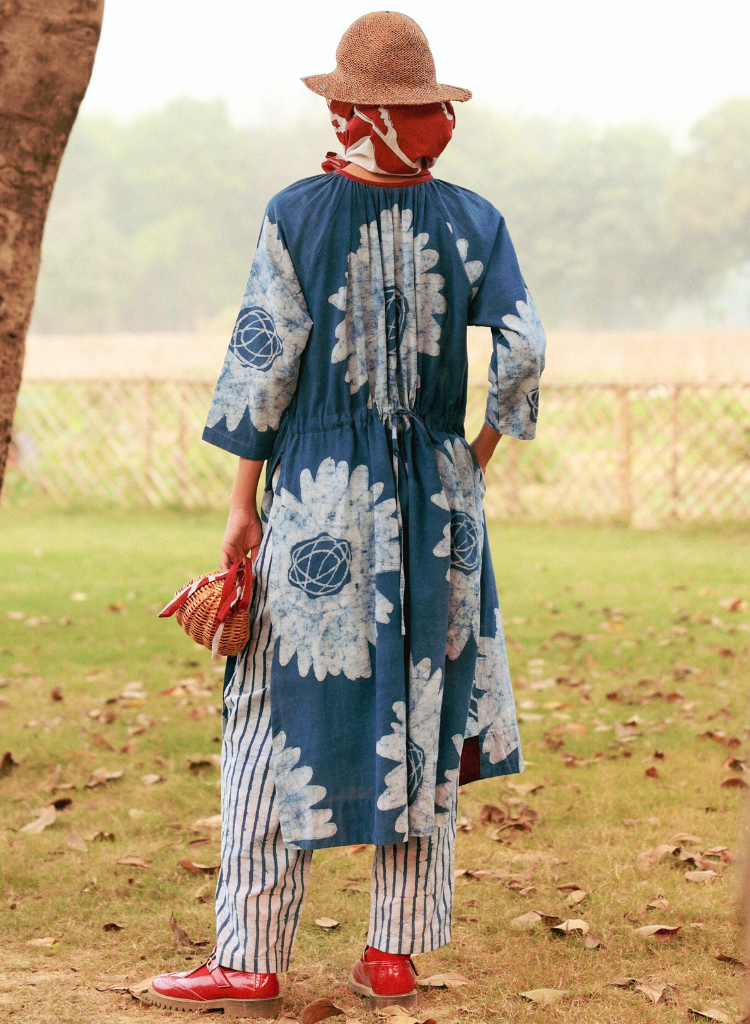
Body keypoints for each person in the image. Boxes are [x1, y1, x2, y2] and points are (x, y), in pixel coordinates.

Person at [146, 11, 545, 1018]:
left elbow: (262, 363)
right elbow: (526, 349)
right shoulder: (476, 220)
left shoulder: (296, 214)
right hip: (441, 507)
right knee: (423, 711)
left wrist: (241, 508)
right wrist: (473, 456)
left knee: (268, 712)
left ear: (354, 111)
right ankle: (392, 956)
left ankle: (249, 959)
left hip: (321, 499)